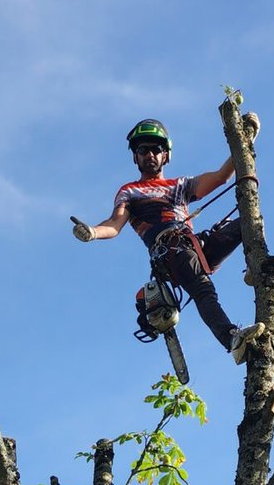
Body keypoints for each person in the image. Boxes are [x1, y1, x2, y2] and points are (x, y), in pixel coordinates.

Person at [72, 117, 260, 364]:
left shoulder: (181, 185)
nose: (149, 154)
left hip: (194, 245)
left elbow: (222, 176)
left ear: (166, 155)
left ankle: (255, 268)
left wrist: (245, 141)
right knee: (203, 290)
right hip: (170, 251)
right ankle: (231, 339)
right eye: (143, 150)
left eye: (156, 149)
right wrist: (93, 232)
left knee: (250, 222)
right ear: (135, 157)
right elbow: (115, 224)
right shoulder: (130, 191)